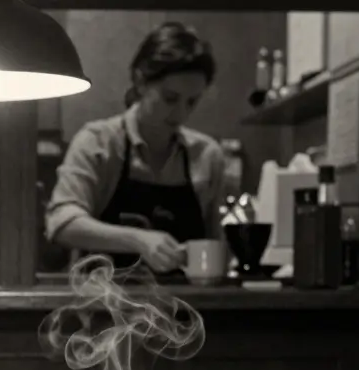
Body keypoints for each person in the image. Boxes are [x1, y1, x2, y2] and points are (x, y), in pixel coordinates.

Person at [45, 22, 227, 273]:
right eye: (170, 98)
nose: (181, 113)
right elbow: (62, 223)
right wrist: (138, 240)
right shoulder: (99, 143)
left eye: (192, 102)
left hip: (183, 307)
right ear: (141, 81)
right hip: (102, 304)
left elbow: (214, 245)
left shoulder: (207, 156)